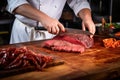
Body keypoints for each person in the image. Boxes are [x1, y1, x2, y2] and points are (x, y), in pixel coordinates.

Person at [6, 0, 95, 44]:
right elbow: (15, 3)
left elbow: (78, 1)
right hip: (23, 34)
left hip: (51, 34)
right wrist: (44, 18)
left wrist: (87, 17)